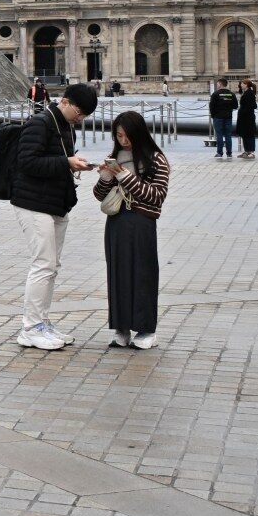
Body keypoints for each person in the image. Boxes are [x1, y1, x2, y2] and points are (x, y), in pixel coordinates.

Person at [10, 82, 99, 351]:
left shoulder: (64, 126)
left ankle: (42, 322)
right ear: (67, 102)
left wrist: (73, 161)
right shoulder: (40, 122)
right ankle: (30, 328)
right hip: (33, 202)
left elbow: (57, 157)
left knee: (52, 266)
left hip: (55, 202)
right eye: (80, 113)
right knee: (43, 264)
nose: (81, 119)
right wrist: (66, 162)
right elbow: (26, 162)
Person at [94, 110, 171, 350]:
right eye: (118, 136)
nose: (123, 141)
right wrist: (106, 177)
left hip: (142, 222)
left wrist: (126, 177)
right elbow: (99, 196)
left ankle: (147, 329)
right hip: (117, 221)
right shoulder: (114, 156)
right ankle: (121, 328)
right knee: (118, 274)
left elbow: (156, 196)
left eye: (127, 136)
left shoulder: (156, 159)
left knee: (143, 274)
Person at [207, 79, 237, 159]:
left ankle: (219, 153)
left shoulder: (215, 94)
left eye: (217, 84)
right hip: (228, 117)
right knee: (228, 135)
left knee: (219, 135)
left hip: (218, 117)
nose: (217, 86)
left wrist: (213, 115)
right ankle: (229, 153)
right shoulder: (231, 94)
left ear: (220, 84)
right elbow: (235, 106)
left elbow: (211, 106)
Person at [235, 79, 258, 161]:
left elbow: (253, 105)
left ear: (246, 85)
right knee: (244, 134)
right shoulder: (245, 93)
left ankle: (251, 152)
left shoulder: (249, 93)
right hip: (244, 117)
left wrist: (243, 111)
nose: (241, 85)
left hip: (248, 118)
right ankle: (246, 151)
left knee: (249, 134)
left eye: (242, 83)